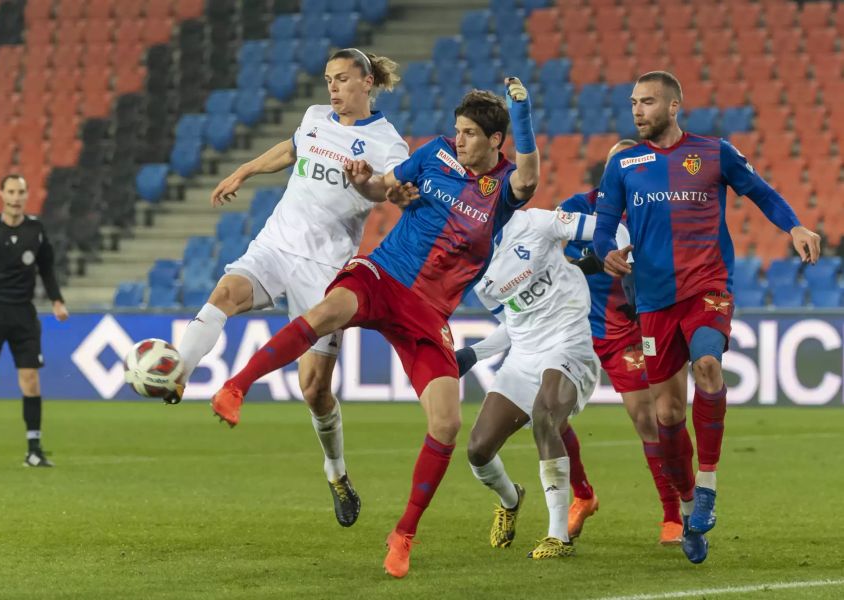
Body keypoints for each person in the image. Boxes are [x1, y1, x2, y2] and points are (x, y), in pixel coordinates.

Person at [211, 79, 540, 578]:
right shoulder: (434, 154)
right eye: (458, 130)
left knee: (447, 424)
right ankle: (236, 386)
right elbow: (382, 189)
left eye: (471, 133)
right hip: (384, 275)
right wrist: (368, 180)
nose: (460, 139)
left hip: (429, 313)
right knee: (326, 311)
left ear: (497, 141)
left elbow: (531, 174)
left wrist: (523, 112)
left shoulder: (506, 188)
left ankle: (403, 533)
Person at [171, 48, 409, 528]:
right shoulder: (316, 117)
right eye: (328, 80)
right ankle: (179, 371)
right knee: (223, 294)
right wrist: (243, 171)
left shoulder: (388, 144)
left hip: (325, 272)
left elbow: (388, 190)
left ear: (367, 82)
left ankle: (336, 472)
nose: (333, 89)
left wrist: (368, 186)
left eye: (342, 79)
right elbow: (292, 149)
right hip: (276, 246)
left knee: (314, 391)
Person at [593, 71, 821, 563]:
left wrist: (795, 225)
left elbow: (760, 191)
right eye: (634, 102)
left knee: (709, 367)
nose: (637, 110)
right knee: (667, 414)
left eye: (648, 102)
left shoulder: (714, 152)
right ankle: (692, 506)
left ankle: (710, 483)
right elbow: (604, 225)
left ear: (674, 107)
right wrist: (604, 251)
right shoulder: (623, 164)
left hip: (708, 288)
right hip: (653, 300)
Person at [453, 207, 630, 559]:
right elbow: (515, 323)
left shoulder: (535, 222)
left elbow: (613, 228)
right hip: (523, 356)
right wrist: (473, 355)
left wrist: (616, 253)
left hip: (569, 342)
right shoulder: (478, 271)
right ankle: (510, 499)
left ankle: (557, 536)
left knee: (546, 417)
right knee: (478, 449)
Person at [560, 139, 683, 546]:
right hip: (573, 330)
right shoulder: (576, 208)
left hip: (624, 333)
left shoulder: (653, 213)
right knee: (548, 417)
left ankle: (672, 514)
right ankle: (582, 495)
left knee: (647, 418)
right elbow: (555, 256)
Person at [0, 174, 69, 468]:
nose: (16, 197)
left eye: (21, 191)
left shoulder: (36, 230)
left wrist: (57, 300)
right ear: (1, 194)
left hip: (23, 314)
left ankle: (34, 450)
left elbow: (47, 269)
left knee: (30, 382)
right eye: (11, 192)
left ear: (26, 194)